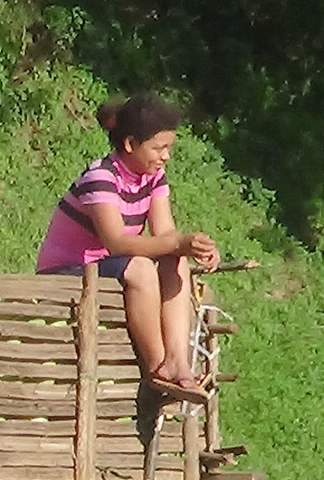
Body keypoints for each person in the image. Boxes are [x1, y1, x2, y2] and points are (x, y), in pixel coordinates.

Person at [36, 94, 221, 402]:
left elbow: (165, 233)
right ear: (130, 144)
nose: (166, 157)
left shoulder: (153, 177)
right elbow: (116, 241)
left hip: (107, 266)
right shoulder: (101, 177)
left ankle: (178, 360)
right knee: (141, 268)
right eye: (159, 148)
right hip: (67, 270)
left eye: (169, 148)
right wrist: (177, 242)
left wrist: (192, 248)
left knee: (175, 263)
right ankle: (158, 367)